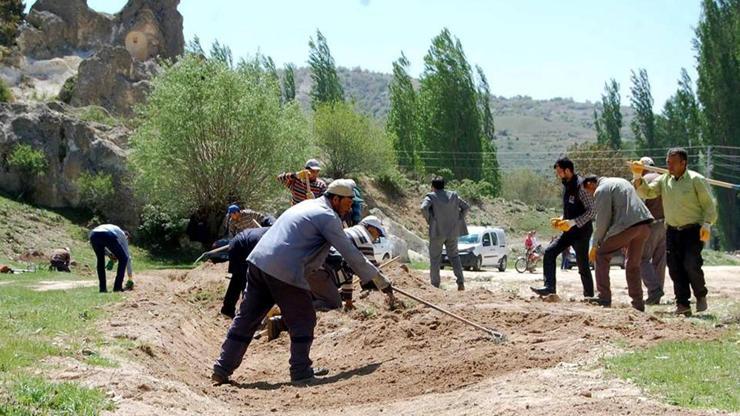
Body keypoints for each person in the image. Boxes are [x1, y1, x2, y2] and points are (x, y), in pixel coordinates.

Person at [211, 179, 394, 385]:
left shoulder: (306, 205)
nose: (350, 206)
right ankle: (301, 371)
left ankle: (221, 369)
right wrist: (378, 279)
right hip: (285, 269)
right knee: (304, 318)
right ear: (336, 198)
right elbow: (350, 252)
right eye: (348, 202)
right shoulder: (327, 216)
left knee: (246, 319)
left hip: (258, 262)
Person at [632, 147, 717, 316]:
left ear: (683, 163)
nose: (668, 166)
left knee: (691, 264)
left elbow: (709, 205)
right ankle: (682, 304)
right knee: (675, 268)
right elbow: (647, 192)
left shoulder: (696, 180)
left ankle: (700, 295)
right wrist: (637, 176)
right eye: (667, 162)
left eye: (672, 163)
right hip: (671, 231)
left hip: (693, 230)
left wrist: (707, 224)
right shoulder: (664, 180)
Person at [582, 175, 653, 311]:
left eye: (588, 191)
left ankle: (604, 297)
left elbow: (602, 221)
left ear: (591, 183)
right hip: (644, 225)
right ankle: (638, 303)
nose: (590, 195)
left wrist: (596, 244)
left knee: (601, 255)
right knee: (633, 265)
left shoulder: (601, 190)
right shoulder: (621, 181)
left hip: (628, 226)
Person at [531, 157, 595, 298]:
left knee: (582, 265)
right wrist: (561, 219)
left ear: (568, 170)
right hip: (568, 232)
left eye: (560, 172)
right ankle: (549, 288)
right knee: (549, 252)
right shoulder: (567, 185)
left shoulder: (581, 186)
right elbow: (571, 209)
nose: (558, 175)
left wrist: (573, 222)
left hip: (582, 232)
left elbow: (591, 211)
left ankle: (589, 296)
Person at [420, 176, 470, 290]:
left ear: (433, 187)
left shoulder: (431, 196)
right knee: (454, 256)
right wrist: (459, 218)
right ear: (443, 185)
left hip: (437, 232)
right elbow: (466, 207)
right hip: (452, 232)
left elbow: (423, 208)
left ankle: (435, 286)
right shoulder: (453, 195)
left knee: (435, 259)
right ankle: (460, 282)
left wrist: (430, 220)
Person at [220, 217, 275, 319]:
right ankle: (246, 315)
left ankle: (227, 309)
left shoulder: (267, 232)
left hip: (235, 243)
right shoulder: (274, 237)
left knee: (237, 279)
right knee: (247, 281)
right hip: (243, 247)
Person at [636, 157, 667, 305]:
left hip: (651, 225)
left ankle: (654, 289)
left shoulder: (644, 180)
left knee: (642, 258)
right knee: (660, 261)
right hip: (666, 225)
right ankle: (657, 293)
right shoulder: (664, 179)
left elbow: (641, 207)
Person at [89, 224, 133, 293]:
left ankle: (102, 289)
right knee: (123, 259)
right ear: (127, 237)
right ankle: (117, 288)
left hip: (93, 234)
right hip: (107, 234)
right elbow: (127, 257)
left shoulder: (115, 230)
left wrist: (111, 256)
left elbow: (105, 247)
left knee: (100, 261)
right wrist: (130, 277)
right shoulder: (123, 236)